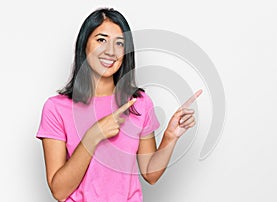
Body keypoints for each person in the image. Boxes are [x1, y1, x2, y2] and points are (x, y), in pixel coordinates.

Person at [36, 7, 201, 202]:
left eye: (120, 43)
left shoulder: (139, 103)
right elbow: (59, 191)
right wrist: (93, 136)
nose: (111, 51)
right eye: (101, 40)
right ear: (84, 45)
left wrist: (170, 137)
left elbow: (151, 174)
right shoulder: (56, 108)